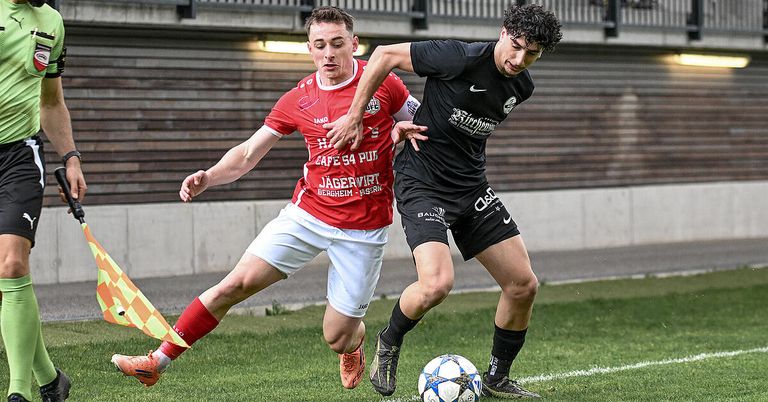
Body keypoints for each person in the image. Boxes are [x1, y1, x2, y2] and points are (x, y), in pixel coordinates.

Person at [110, 6, 425, 391]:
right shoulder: (299, 98)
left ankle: (353, 343)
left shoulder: (385, 84)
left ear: (355, 45)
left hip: (363, 229)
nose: (329, 54)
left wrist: (403, 133)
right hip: (307, 215)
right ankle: (156, 361)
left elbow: (424, 123)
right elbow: (247, 154)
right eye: (320, 45)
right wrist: (208, 177)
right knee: (234, 284)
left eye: (337, 44)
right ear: (310, 50)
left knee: (336, 336)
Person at [325, 4, 562, 399]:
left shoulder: (522, 88)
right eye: (517, 46)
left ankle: (497, 377)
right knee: (437, 284)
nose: (520, 60)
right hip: (423, 183)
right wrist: (355, 117)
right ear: (503, 32)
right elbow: (383, 55)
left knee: (523, 285)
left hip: (471, 189)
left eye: (532, 53)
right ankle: (390, 341)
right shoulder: (457, 56)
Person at [0, 0, 87, 401]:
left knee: (12, 263)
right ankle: (51, 380)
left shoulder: (51, 22)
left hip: (20, 156)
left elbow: (51, 101)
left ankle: (19, 393)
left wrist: (70, 157)